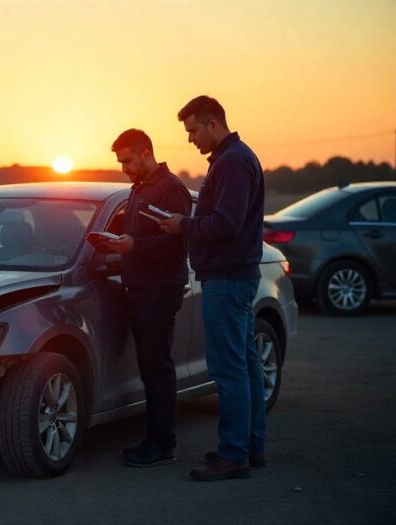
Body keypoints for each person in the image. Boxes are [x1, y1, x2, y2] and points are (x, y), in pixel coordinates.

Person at [159, 96, 267, 481]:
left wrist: (181, 226)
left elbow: (226, 224)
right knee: (245, 365)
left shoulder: (233, 162)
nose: (190, 139)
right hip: (232, 275)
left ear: (214, 124)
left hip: (227, 277)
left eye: (193, 131)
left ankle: (233, 454)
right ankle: (250, 447)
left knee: (228, 369)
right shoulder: (233, 159)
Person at [102, 129, 192, 467]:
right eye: (120, 162)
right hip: (140, 287)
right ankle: (154, 439)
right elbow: (139, 236)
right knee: (148, 366)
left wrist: (134, 246)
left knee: (157, 367)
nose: (124, 167)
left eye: (127, 160)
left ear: (146, 152)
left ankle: (162, 444)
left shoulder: (172, 189)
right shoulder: (138, 188)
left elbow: (176, 245)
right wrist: (116, 243)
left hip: (160, 289)